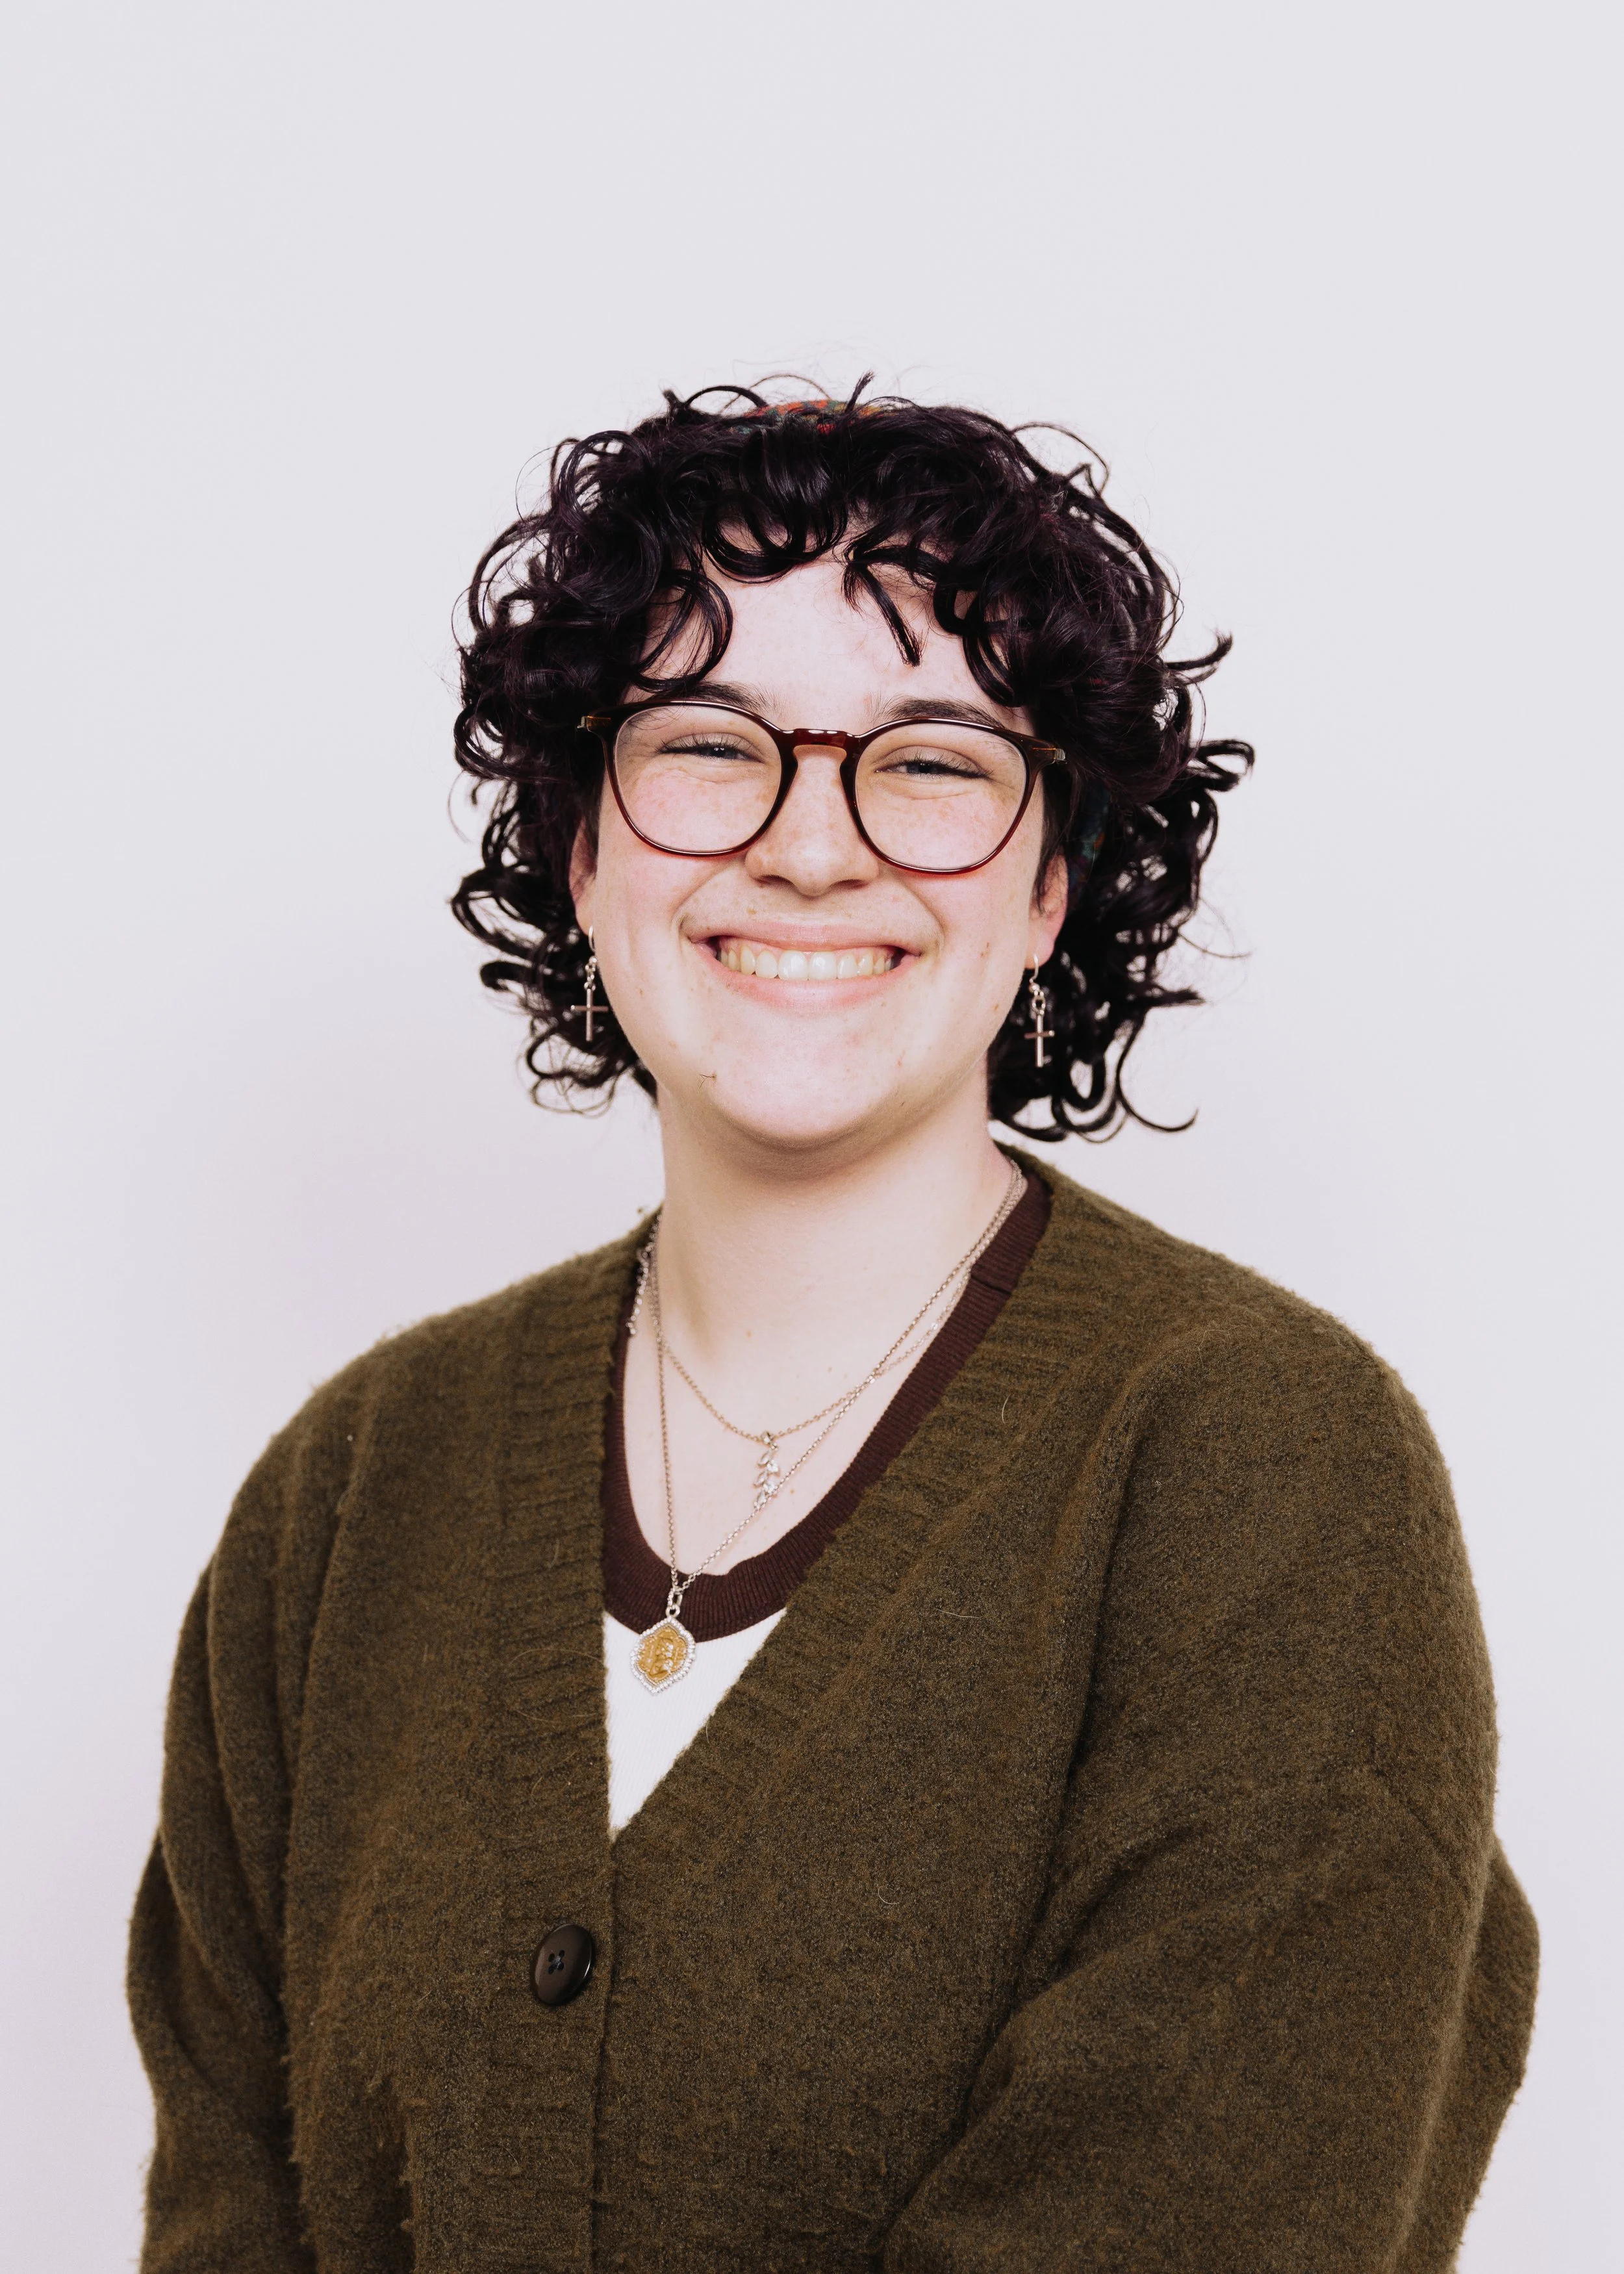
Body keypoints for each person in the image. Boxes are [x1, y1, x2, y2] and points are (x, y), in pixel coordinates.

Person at [128, 387, 1537, 2273]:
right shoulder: (349, 1489)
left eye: (932, 762)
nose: (809, 847)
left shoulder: (1263, 1465)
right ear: (582, 849)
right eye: (709, 745)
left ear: (1050, 881)